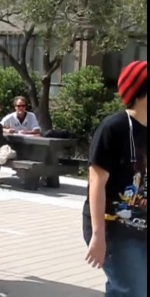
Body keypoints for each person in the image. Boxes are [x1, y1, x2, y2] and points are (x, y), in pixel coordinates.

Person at [83, 60, 147, 297]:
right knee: (133, 291)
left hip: (143, 227)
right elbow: (97, 183)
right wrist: (98, 235)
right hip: (114, 228)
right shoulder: (114, 128)